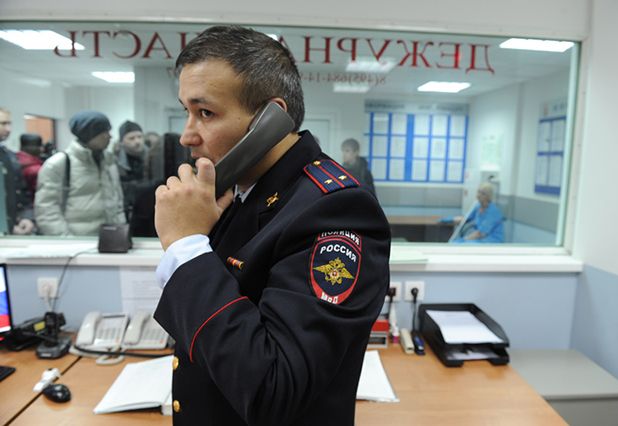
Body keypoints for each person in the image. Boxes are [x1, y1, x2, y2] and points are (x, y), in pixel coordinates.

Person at [152, 25, 391, 425]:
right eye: (186, 111)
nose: (186, 136)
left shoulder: (337, 210)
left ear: (270, 118)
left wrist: (187, 246)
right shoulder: (242, 193)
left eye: (205, 113)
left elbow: (272, 389)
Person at [35, 110, 126, 236]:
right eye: (104, 133)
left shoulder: (109, 161)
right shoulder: (58, 164)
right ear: (89, 135)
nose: (110, 137)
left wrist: (120, 232)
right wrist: (67, 240)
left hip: (110, 239)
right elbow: (47, 210)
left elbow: (117, 201)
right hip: (77, 241)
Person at [0, 107, 35, 235]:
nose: (8, 129)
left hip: (10, 231)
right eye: (3, 124)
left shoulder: (9, 156)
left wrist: (26, 217)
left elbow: (20, 191)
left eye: (9, 124)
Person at [115, 120, 149, 219]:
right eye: (131, 138)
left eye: (140, 137)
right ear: (122, 141)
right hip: (125, 210)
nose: (137, 141)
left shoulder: (154, 158)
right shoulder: (115, 162)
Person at [16, 133, 44, 201]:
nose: (42, 149)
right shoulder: (35, 169)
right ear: (31, 147)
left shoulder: (14, 160)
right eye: (40, 146)